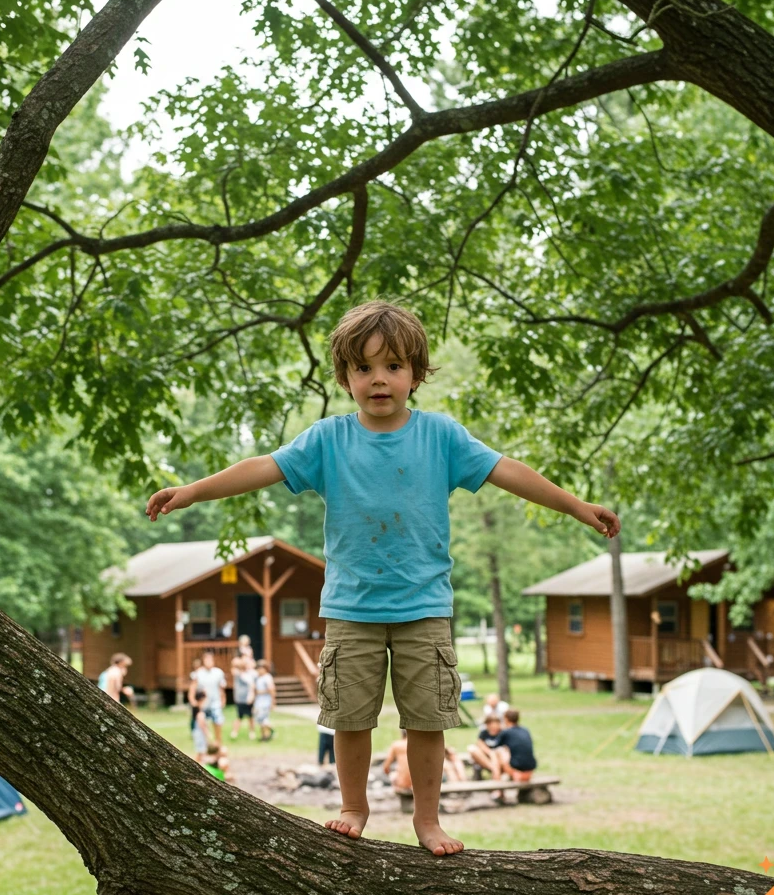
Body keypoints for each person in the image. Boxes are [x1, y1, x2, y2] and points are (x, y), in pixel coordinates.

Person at [145, 300, 619, 856]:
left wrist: (575, 505)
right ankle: (354, 807)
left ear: (415, 374)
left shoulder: (441, 437)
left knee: (426, 720)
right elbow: (264, 467)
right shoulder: (328, 439)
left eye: (393, 366)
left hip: (424, 607)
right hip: (351, 608)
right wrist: (194, 490)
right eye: (365, 368)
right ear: (346, 377)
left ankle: (427, 819)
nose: (379, 379)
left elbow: (508, 471)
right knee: (350, 717)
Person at [188, 650, 227, 746]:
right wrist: (192, 700)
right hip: (203, 703)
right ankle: (206, 742)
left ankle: (218, 741)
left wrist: (223, 699)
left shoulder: (218, 672)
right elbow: (193, 687)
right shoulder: (199, 673)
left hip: (215, 701)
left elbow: (220, 688)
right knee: (201, 721)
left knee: (218, 720)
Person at [492, 708, 537, 782]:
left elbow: (494, 746)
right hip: (530, 769)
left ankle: (497, 784)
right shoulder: (525, 730)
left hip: (517, 771)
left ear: (506, 719)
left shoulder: (506, 732)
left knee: (497, 752)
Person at [467, 714, 504, 779]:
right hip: (486, 758)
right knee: (472, 749)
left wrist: (494, 754)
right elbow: (480, 744)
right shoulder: (484, 733)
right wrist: (490, 753)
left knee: (498, 754)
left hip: (499, 758)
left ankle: (495, 772)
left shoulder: (503, 733)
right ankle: (494, 769)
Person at [231, 653, 257, 740]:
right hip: (240, 699)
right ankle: (234, 732)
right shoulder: (238, 673)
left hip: (248, 698)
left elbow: (253, 686)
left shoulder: (251, 674)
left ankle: (252, 732)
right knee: (239, 716)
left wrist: (252, 696)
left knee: (250, 716)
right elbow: (234, 665)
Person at [252, 660, 275, 741]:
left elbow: (271, 690)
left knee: (263, 719)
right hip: (259, 702)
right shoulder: (258, 678)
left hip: (265, 702)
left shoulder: (267, 677)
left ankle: (268, 733)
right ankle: (263, 735)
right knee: (259, 720)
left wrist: (273, 702)